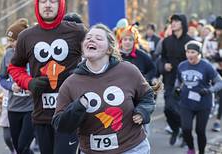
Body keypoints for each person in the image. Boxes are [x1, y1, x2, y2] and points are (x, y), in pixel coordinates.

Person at [52, 23, 155, 154]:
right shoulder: (71, 83)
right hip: (91, 150)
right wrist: (77, 107)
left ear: (109, 49)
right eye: (88, 37)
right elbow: (60, 124)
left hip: (131, 147)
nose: (91, 39)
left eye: (99, 38)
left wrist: (142, 111)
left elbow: (147, 96)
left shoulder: (128, 71)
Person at [7, 0, 86, 153]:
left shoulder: (77, 31)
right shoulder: (26, 36)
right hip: (41, 114)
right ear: (37, 4)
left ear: (61, 4)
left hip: (69, 114)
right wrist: (29, 83)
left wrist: (83, 80)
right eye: (43, 1)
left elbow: (98, 56)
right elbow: (15, 66)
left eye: (53, 1)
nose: (48, 5)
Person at [175, 40, 222, 154]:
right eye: (188, 52)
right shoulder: (182, 65)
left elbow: (219, 82)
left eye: (193, 52)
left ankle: (201, 152)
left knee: (200, 131)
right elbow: (178, 80)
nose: (190, 55)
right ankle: (191, 148)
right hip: (186, 102)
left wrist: (209, 90)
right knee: (186, 129)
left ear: (199, 53)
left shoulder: (206, 66)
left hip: (203, 103)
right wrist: (177, 89)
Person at [0, 18, 34, 154]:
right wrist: (11, 86)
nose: (10, 44)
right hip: (13, 107)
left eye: (13, 41)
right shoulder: (8, 55)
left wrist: (33, 86)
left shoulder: (34, 54)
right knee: (18, 148)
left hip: (30, 108)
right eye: (9, 41)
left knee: (23, 146)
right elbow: (1, 79)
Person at [161, 13, 193, 145]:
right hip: (169, 79)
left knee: (181, 109)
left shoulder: (190, 41)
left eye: (176, 21)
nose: (173, 23)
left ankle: (186, 134)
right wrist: (164, 65)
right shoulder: (167, 41)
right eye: (172, 21)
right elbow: (162, 57)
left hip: (185, 82)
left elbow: (195, 59)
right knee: (168, 108)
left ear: (183, 23)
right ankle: (176, 129)